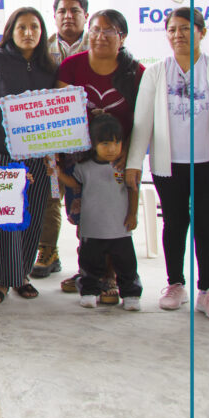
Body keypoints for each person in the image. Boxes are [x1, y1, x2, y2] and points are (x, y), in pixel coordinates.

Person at [0, 7, 58, 304]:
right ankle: (3, 281)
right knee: (6, 219)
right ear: (10, 31)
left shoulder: (50, 66)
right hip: (2, 154)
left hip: (39, 156)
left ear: (42, 32)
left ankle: (22, 276)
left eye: (34, 27)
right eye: (22, 27)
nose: (28, 33)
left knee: (32, 217)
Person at [52, 10, 144, 294]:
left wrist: (129, 153)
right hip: (80, 157)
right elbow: (60, 113)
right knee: (85, 216)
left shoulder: (136, 72)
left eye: (109, 31)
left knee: (115, 216)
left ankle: (111, 275)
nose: (100, 36)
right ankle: (89, 271)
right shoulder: (71, 66)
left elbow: (143, 121)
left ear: (122, 37)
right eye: (95, 30)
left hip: (118, 157)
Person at [126, 7, 209, 315]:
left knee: (206, 224)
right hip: (169, 164)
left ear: (201, 32)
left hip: (207, 163)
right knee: (174, 223)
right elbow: (142, 122)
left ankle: (207, 290)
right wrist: (134, 163)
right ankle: (176, 284)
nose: (178, 35)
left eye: (185, 28)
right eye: (172, 29)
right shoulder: (156, 72)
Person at [56, 114, 141, 311]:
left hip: (120, 229)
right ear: (93, 144)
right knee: (89, 264)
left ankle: (131, 294)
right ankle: (89, 292)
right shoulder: (83, 167)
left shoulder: (123, 167)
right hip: (92, 228)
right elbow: (75, 185)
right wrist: (58, 173)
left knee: (127, 265)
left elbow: (133, 189)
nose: (112, 149)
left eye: (117, 143)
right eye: (105, 144)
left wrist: (132, 214)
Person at [33, 0, 89, 279]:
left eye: (74, 10)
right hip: (51, 138)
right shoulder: (42, 50)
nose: (68, 16)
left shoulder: (99, 44)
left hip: (89, 140)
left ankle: (91, 261)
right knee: (49, 195)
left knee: (89, 199)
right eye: (62, 11)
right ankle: (48, 251)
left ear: (85, 15)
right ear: (54, 16)